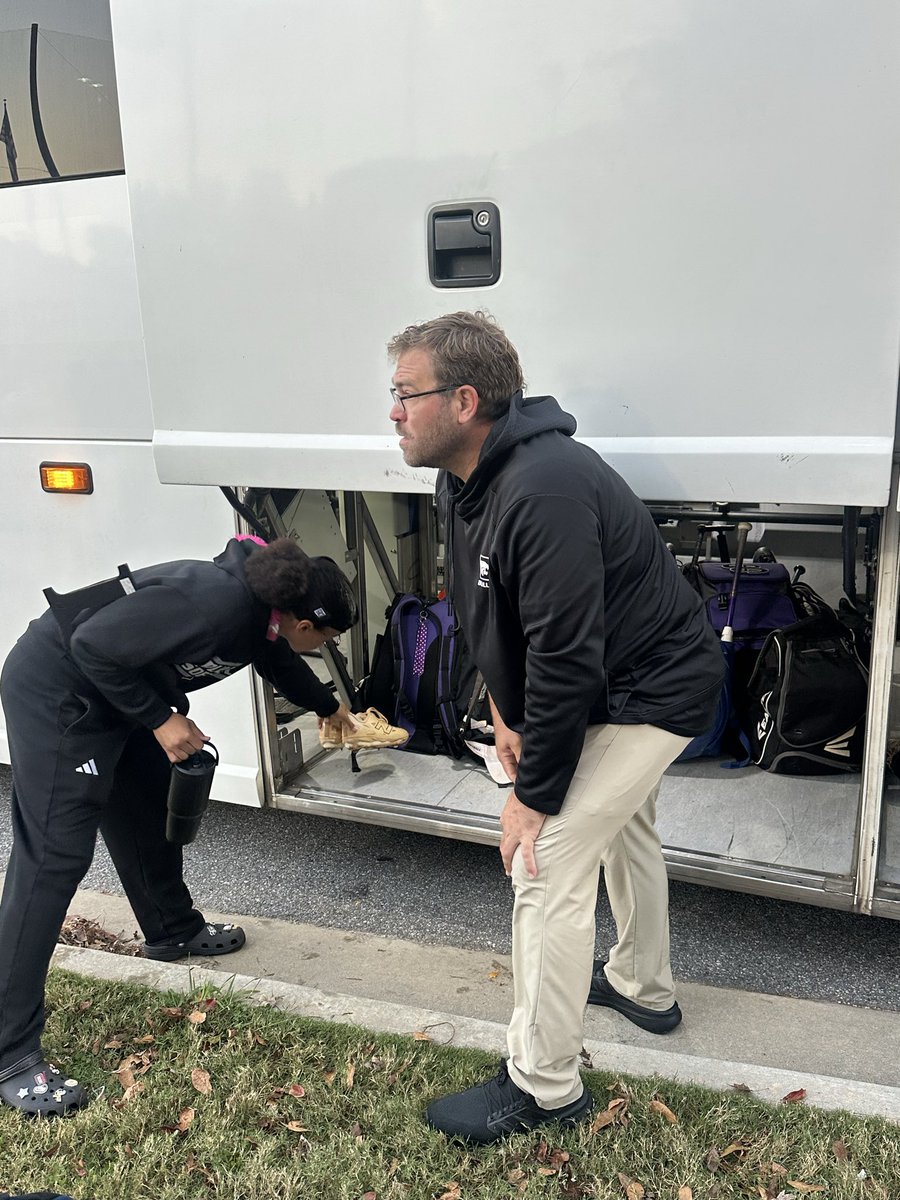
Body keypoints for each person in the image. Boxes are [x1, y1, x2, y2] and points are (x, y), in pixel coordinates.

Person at [387, 312, 725, 1144]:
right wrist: (505, 714)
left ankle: (543, 1087)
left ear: (464, 400)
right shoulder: (464, 482)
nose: (393, 411)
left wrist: (532, 797)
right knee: (624, 828)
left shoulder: (544, 489)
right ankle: (645, 989)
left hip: (657, 689)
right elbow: (489, 612)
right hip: (615, 686)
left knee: (545, 861)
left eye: (405, 394)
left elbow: (568, 657)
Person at [0, 535, 359, 1116]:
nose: (328, 645)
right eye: (328, 636)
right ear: (299, 619)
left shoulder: (258, 618)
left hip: (118, 692)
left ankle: (172, 931)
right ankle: (10, 1051)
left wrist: (326, 705)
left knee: (143, 804)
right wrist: (162, 720)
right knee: (53, 860)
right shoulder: (215, 602)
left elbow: (272, 655)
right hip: (59, 692)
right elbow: (90, 644)